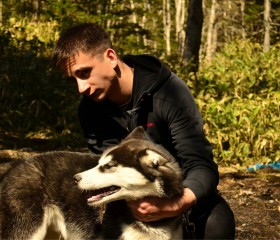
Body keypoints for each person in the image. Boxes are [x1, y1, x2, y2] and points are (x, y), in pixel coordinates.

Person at [53, 23, 235, 239]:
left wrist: (175, 205)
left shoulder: (170, 93)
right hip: (127, 197)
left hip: (179, 189)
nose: (81, 88)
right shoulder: (89, 109)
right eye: (73, 79)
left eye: (84, 73)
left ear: (111, 57)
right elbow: (104, 170)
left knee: (218, 224)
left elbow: (201, 164)